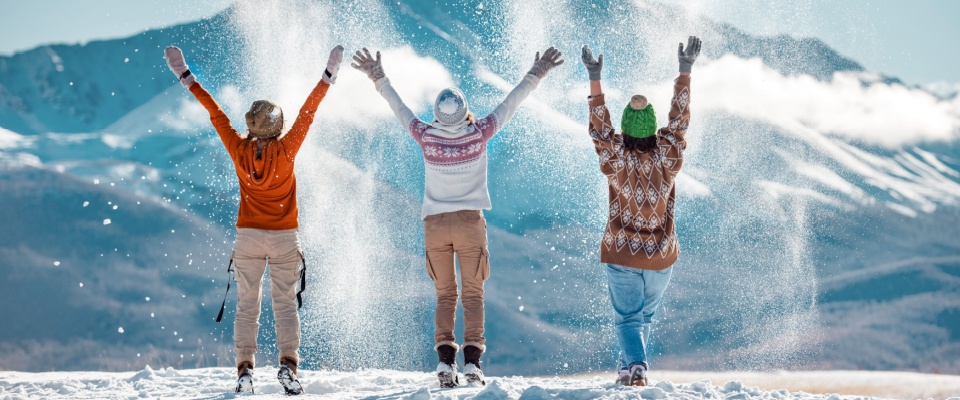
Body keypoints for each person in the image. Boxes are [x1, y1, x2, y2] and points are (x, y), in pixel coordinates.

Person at [350, 47, 564, 387]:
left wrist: (378, 76)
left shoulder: (426, 136)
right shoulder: (479, 134)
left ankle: (445, 362)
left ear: (436, 113)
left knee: (445, 295)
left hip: (435, 224)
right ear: (465, 112)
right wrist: (537, 71)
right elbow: (512, 102)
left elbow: (399, 108)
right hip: (469, 223)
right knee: (473, 294)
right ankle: (472, 364)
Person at [163, 44, 345, 395]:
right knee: (284, 306)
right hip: (284, 238)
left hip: (247, 238)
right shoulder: (287, 150)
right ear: (277, 126)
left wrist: (185, 76)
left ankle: (244, 369)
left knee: (247, 306)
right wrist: (327, 76)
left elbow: (215, 113)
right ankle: (288, 367)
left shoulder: (238, 149)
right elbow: (309, 112)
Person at [580, 36, 701, 386]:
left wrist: (594, 77)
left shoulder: (615, 158)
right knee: (643, 316)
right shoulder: (668, 156)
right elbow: (679, 123)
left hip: (622, 251)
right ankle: (627, 369)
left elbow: (601, 129)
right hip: (661, 255)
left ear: (626, 129)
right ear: (651, 127)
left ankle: (637, 367)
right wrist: (685, 70)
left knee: (628, 319)